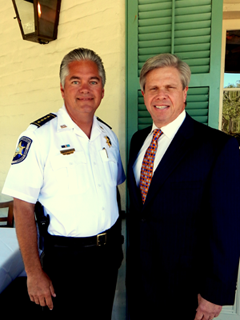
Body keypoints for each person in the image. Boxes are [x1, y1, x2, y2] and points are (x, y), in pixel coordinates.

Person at [2, 48, 125, 319]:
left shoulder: (108, 136)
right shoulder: (39, 136)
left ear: (102, 90)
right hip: (64, 260)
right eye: (75, 81)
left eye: (93, 81)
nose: (85, 89)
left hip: (106, 257)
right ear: (62, 89)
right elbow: (22, 208)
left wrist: (116, 247)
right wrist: (33, 273)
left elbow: (111, 191)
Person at [127, 53, 240, 320]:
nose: (160, 95)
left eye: (170, 87)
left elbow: (227, 225)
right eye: (153, 88)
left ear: (185, 92)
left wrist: (215, 291)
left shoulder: (217, 146)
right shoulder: (138, 140)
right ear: (143, 94)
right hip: (138, 283)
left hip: (185, 290)